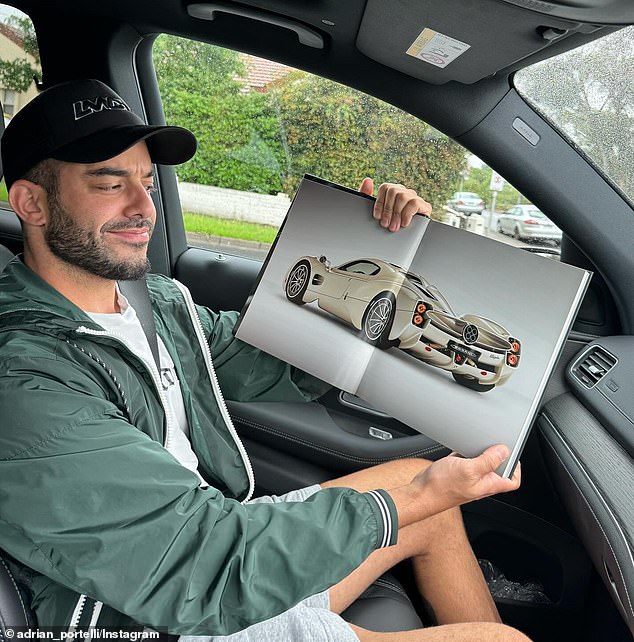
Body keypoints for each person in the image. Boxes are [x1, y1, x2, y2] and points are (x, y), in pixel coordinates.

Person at [0, 79, 528, 642]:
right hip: (154, 608)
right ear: (31, 203)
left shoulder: (151, 301)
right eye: (110, 184)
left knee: (427, 497)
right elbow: (198, 567)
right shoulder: (26, 377)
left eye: (147, 182)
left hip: (209, 542)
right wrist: (416, 498)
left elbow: (271, 358)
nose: (143, 207)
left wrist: (392, 247)